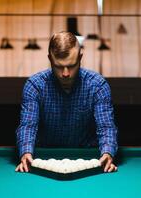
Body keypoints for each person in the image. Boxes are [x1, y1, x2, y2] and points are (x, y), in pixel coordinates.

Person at [15, 31, 118, 173]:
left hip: (87, 161)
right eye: (58, 66)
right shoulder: (34, 86)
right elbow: (28, 125)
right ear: (50, 59)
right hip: (45, 161)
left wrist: (107, 153)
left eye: (71, 65)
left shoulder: (98, 86)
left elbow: (106, 126)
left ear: (80, 58)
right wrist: (26, 152)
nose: (65, 74)